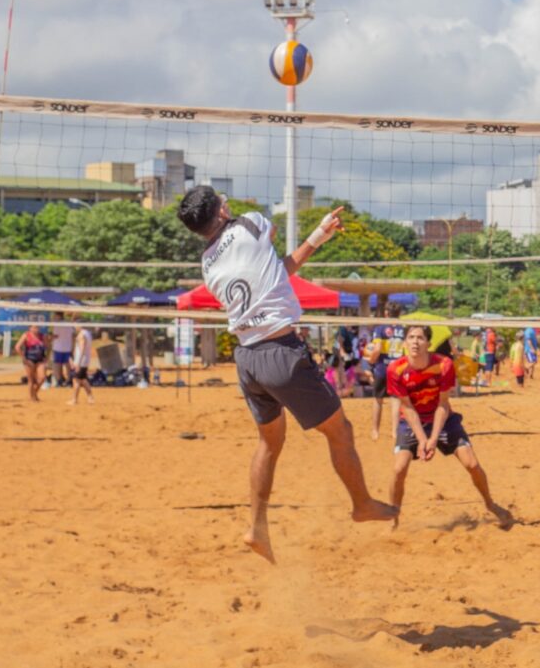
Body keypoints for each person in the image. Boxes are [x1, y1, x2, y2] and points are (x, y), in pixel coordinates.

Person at [176, 186, 395, 562]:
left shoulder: (208, 262)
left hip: (247, 359)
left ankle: (257, 528)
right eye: (222, 199)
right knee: (340, 431)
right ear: (222, 210)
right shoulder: (249, 224)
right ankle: (361, 504)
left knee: (269, 444)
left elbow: (278, 274)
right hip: (281, 353)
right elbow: (270, 239)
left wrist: (318, 236)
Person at [387, 325, 512, 526]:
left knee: (472, 464)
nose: (415, 342)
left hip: (442, 418)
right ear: (405, 342)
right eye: (411, 337)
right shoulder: (396, 369)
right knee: (398, 469)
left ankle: (490, 503)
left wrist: (433, 438)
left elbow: (443, 404)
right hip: (412, 420)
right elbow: (407, 408)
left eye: (420, 338)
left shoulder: (443, 365)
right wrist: (421, 439)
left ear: (429, 343)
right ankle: (393, 518)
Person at [18, 324, 47, 402]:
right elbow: (17, 347)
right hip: (29, 359)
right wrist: (24, 358)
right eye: (34, 327)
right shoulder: (26, 335)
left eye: (38, 327)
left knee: (42, 378)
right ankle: (32, 397)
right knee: (31, 380)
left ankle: (34, 393)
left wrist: (46, 356)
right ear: (30, 328)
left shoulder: (42, 336)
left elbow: (46, 346)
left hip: (40, 359)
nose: (37, 329)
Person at [68, 324, 95, 405]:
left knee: (76, 380)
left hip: (81, 361)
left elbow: (82, 349)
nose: (74, 327)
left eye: (75, 325)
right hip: (84, 360)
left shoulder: (81, 335)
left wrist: (78, 363)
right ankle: (90, 397)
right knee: (82, 380)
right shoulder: (87, 333)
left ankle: (74, 399)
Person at [49, 313, 74, 388]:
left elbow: (55, 336)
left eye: (55, 316)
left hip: (58, 348)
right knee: (68, 365)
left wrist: (50, 337)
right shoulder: (69, 324)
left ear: (58, 316)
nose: (54, 318)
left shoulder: (57, 325)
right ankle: (69, 381)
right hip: (67, 347)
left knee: (57, 364)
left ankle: (59, 381)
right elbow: (73, 335)